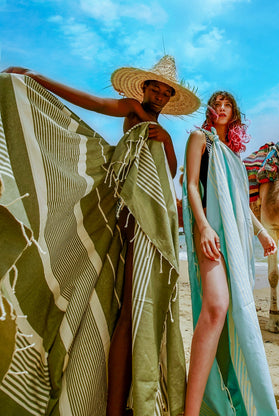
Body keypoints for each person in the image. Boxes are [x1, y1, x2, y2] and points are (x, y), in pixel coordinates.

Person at [1, 56, 199, 416]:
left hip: (159, 217)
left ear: (170, 98)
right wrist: (36, 75)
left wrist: (167, 140)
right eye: (155, 85)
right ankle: (115, 407)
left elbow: (168, 173)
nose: (160, 92)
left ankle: (121, 399)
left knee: (133, 308)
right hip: (134, 214)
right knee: (130, 309)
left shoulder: (159, 128)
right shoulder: (132, 109)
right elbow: (90, 103)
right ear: (144, 87)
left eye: (166, 90)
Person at [182, 91, 279, 415]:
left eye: (228, 106)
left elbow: (240, 205)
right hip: (209, 235)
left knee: (226, 314)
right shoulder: (201, 140)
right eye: (217, 104)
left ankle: (218, 396)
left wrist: (262, 232)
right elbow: (192, 185)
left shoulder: (236, 157)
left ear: (234, 114)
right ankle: (191, 411)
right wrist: (204, 227)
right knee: (217, 307)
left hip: (234, 242)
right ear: (211, 111)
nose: (222, 109)